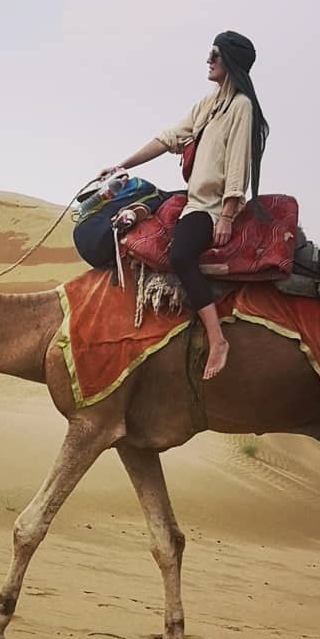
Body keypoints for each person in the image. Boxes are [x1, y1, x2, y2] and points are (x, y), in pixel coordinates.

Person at [100, 30, 269, 379]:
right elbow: (168, 138)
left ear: (231, 62)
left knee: (179, 255)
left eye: (215, 54)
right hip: (192, 199)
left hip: (210, 207)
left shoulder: (241, 106)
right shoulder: (209, 103)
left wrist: (226, 215)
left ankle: (217, 339)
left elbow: (238, 164)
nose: (208, 60)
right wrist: (123, 165)